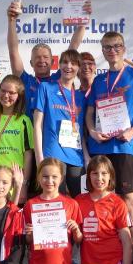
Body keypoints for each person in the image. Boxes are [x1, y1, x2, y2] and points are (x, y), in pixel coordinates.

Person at [86, 31, 133, 243]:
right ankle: (102, 243)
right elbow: (89, 113)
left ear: (123, 49)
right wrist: (92, 131)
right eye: (107, 47)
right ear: (103, 51)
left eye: (116, 46)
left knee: (128, 197)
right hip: (100, 147)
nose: (112, 50)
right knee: (99, 196)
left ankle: (131, 250)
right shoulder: (99, 80)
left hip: (123, 146)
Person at [6, 0, 90, 116]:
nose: (41, 60)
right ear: (31, 63)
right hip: (30, 128)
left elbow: (73, 47)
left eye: (45, 57)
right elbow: (13, 51)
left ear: (52, 61)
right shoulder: (25, 81)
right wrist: (12, 20)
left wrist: (83, 22)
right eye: (37, 57)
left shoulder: (59, 78)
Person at [33, 49, 89, 197]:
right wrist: (39, 159)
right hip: (53, 154)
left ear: (78, 68)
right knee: (58, 201)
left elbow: (80, 131)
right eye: (65, 62)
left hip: (76, 156)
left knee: (81, 201)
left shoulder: (80, 97)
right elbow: (37, 125)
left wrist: (87, 157)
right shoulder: (45, 88)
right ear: (59, 65)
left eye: (73, 63)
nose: (68, 66)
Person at [0, 74, 34, 203]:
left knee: (12, 215)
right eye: (3, 91)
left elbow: (28, 154)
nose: (6, 96)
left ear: (19, 96)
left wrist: (23, 184)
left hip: (14, 181)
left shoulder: (24, 121)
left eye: (11, 93)